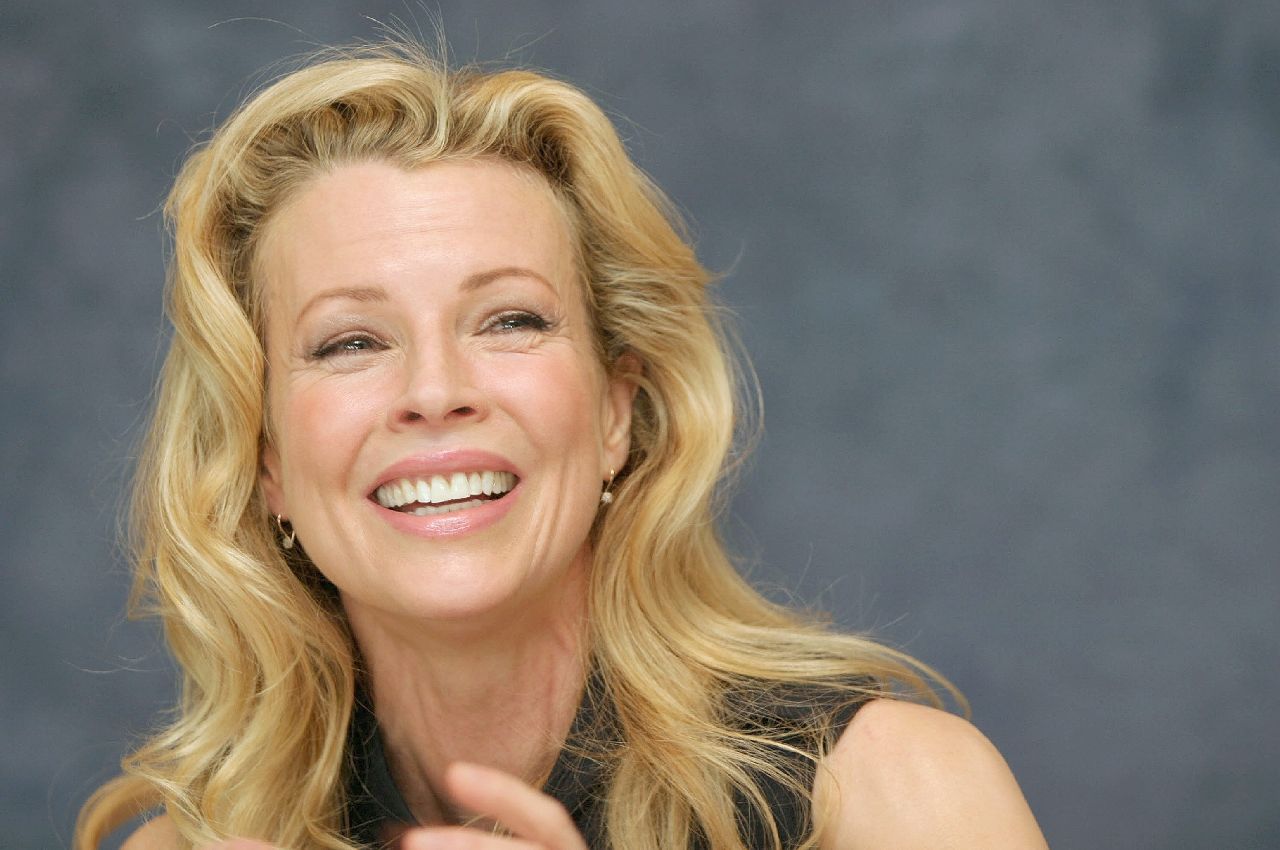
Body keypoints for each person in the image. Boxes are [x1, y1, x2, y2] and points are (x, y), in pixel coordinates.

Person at [76, 41, 1049, 850]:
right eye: (350, 342)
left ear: (616, 411)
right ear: (266, 462)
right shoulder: (190, 845)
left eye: (509, 321)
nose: (435, 392)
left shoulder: (893, 795)